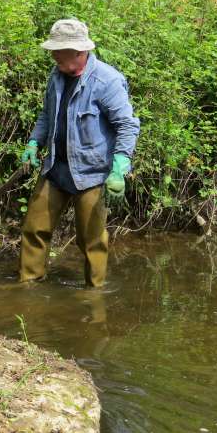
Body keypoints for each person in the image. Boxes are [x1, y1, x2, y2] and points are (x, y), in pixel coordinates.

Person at [20, 19, 140, 287]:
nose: (53, 55)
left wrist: (120, 167)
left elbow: (127, 125)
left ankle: (94, 294)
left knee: (92, 239)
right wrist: (33, 143)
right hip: (56, 168)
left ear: (78, 51)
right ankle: (28, 286)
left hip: (92, 174)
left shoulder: (107, 81)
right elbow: (47, 114)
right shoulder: (56, 75)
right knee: (34, 229)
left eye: (58, 51)